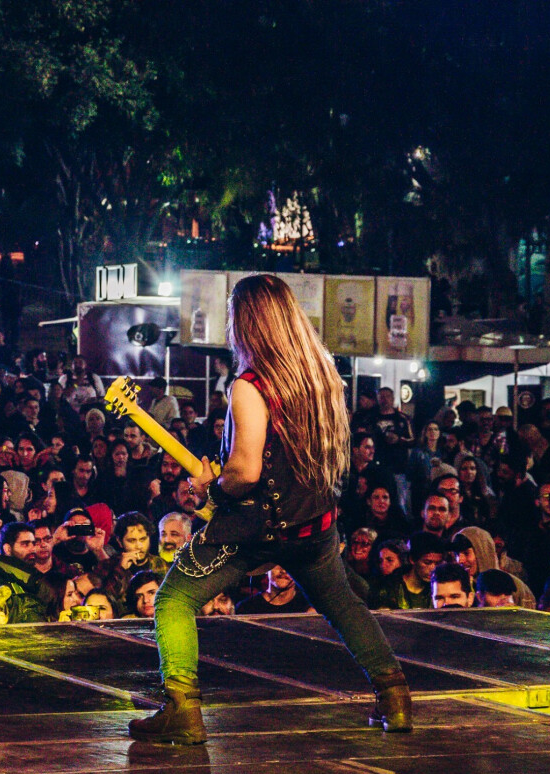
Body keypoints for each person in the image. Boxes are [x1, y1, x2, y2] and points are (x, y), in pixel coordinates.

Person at [129, 275, 411, 746]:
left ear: (247, 322)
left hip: (257, 526)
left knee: (173, 599)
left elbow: (246, 471)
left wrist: (211, 484)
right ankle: (395, 697)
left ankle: (182, 710)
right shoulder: (320, 374)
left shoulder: (249, 386)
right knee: (341, 602)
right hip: (315, 523)